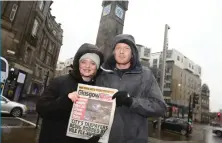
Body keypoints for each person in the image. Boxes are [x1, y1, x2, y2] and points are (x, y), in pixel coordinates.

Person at [96, 34, 167, 143]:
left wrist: (131, 101)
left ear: (132, 53)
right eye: (118, 48)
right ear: (113, 52)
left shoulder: (146, 75)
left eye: (126, 48)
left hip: (134, 140)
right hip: (106, 139)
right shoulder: (102, 75)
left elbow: (160, 107)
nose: (121, 52)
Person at [36, 43, 104, 143]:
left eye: (93, 63)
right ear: (78, 63)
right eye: (84, 62)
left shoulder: (99, 89)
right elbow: (41, 108)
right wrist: (65, 100)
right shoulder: (59, 82)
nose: (87, 66)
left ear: (97, 67)